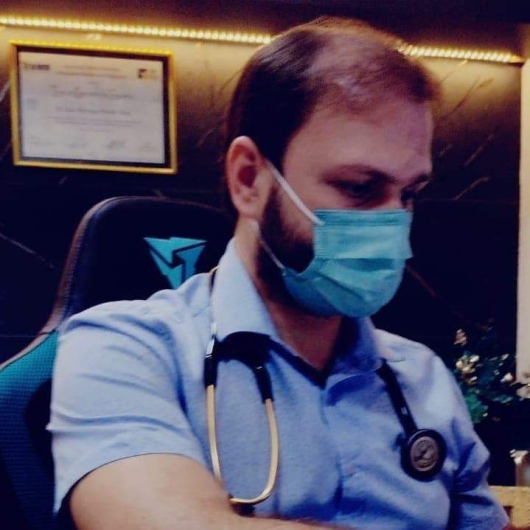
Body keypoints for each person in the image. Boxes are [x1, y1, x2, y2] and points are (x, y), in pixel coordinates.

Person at [50, 17, 513, 530]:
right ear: (249, 179)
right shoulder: (124, 350)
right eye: (359, 188)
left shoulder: (423, 379)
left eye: (408, 194)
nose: (393, 225)